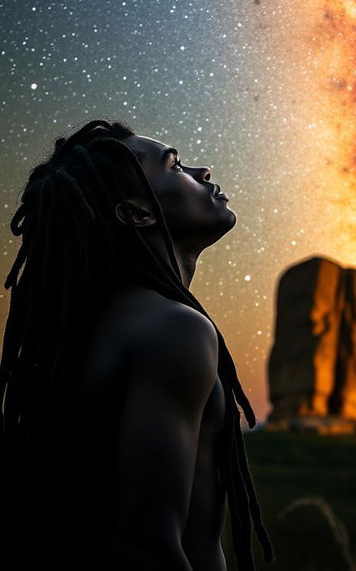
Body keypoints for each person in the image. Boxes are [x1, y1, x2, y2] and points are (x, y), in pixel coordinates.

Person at [0, 119, 273, 570]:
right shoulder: (175, 329)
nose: (202, 171)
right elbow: (148, 549)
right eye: (176, 166)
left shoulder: (95, 327)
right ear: (138, 213)